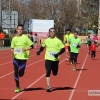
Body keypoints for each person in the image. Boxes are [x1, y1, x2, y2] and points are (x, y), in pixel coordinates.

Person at [36, 28, 65, 92]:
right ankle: (48, 86)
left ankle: (54, 71)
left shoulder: (58, 41)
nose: (52, 33)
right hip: (48, 58)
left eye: (53, 31)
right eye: (51, 31)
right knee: (48, 71)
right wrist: (39, 51)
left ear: (55, 33)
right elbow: (42, 47)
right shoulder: (46, 40)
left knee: (54, 73)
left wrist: (58, 54)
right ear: (49, 33)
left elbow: (63, 49)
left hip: (55, 60)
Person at [10, 24, 33, 93]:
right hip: (16, 58)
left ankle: (22, 72)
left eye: (21, 29)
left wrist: (25, 49)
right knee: (16, 72)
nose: (20, 30)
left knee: (21, 74)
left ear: (22, 30)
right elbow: (12, 48)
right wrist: (12, 52)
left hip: (23, 58)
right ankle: (17, 86)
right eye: (19, 29)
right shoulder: (14, 39)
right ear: (16, 30)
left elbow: (32, 46)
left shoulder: (25, 38)